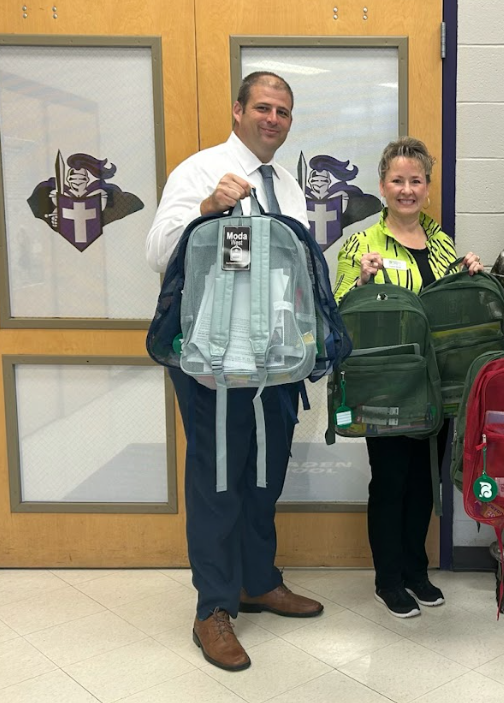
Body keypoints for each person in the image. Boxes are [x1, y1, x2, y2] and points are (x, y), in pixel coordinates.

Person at [145, 71, 324, 672]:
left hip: (275, 361)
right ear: (238, 110)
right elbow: (158, 251)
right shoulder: (200, 170)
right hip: (214, 362)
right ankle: (213, 608)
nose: (273, 119)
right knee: (218, 481)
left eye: (283, 111)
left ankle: (258, 580)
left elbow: (295, 270)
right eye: (264, 108)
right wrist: (208, 209)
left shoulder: (290, 189)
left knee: (264, 478)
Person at [333, 136, 484, 618]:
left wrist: (470, 275)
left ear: (427, 186)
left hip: (436, 387)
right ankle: (389, 578)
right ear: (382, 186)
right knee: (391, 481)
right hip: (387, 385)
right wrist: (361, 279)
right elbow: (339, 307)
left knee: (425, 483)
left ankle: (417, 571)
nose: (406, 189)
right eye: (397, 180)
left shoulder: (441, 243)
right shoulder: (362, 243)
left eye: (415, 180)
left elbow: (452, 308)